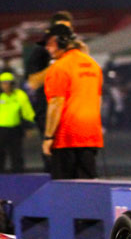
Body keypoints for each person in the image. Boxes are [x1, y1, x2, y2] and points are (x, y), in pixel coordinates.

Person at [41, 34, 103, 179]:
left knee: (64, 186)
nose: (48, 49)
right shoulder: (94, 65)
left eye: (51, 45)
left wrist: (49, 136)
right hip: (90, 134)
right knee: (87, 185)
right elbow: (98, 100)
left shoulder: (60, 67)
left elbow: (56, 104)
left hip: (66, 137)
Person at [26, 11, 76, 171]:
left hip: (71, 112)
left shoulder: (75, 52)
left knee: (74, 160)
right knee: (54, 160)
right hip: (48, 110)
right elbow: (33, 82)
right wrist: (56, 66)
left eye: (67, 30)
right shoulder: (41, 51)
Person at [0, 70, 35, 173]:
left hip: (15, 129)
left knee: (17, 155)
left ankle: (18, 175)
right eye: (4, 83)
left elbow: (27, 111)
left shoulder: (19, 95)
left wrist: (29, 127)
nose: (6, 86)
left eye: (9, 83)